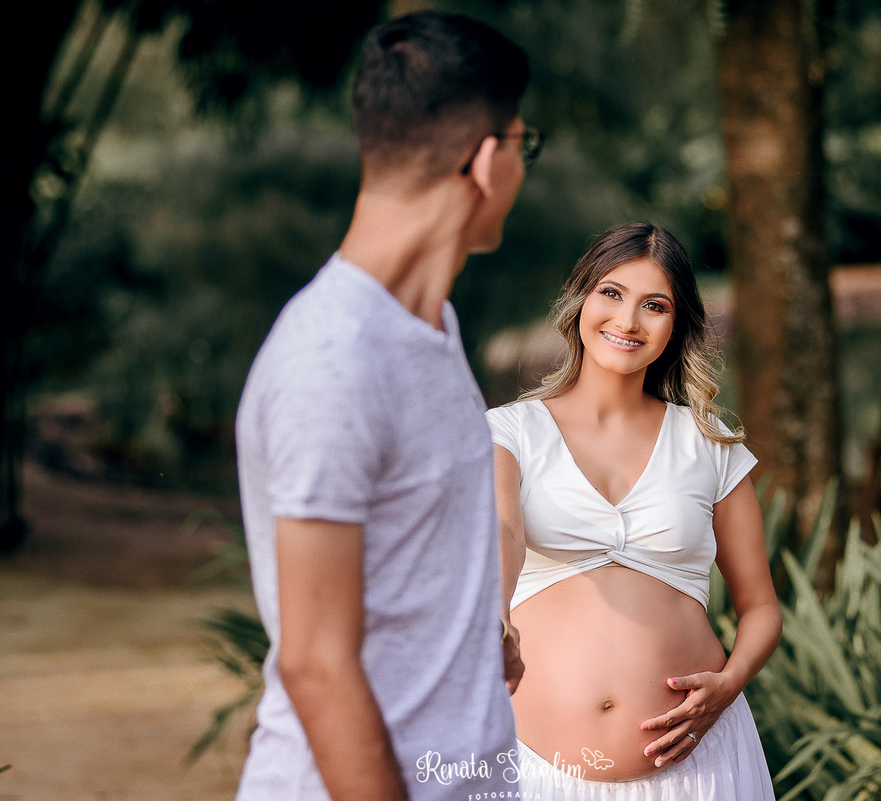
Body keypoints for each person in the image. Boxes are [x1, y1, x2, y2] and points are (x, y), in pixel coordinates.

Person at [234, 13, 541, 801]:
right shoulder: (331, 362)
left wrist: (477, 634)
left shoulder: (430, 324)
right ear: (485, 161)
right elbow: (315, 661)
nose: (522, 166)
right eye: (523, 143)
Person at [486, 222, 781, 799]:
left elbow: (762, 609)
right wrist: (494, 621)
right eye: (611, 294)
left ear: (677, 325)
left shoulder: (711, 445)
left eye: (654, 305)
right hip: (535, 769)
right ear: (580, 301)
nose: (627, 321)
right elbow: (502, 529)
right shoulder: (509, 432)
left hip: (700, 769)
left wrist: (728, 684)